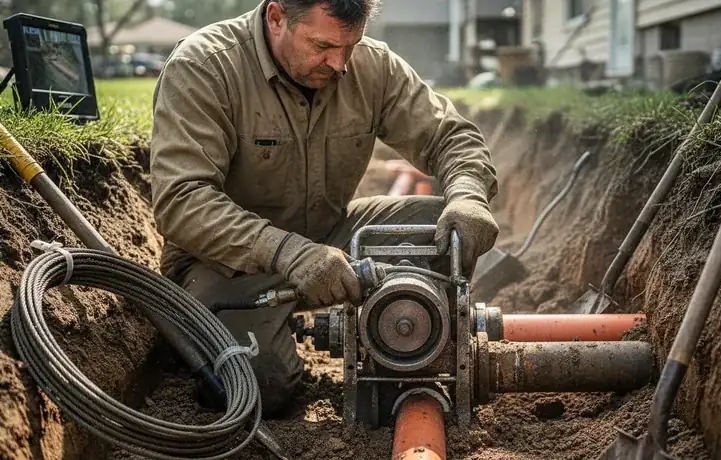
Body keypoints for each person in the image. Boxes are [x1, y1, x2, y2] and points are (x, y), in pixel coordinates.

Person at [149, 0, 499, 416]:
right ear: (277, 17)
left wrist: (468, 194)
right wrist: (290, 253)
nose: (340, 64)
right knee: (260, 387)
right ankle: (226, 335)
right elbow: (182, 199)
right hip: (224, 265)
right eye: (323, 46)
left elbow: (450, 135)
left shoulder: (371, 65)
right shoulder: (204, 67)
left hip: (331, 239)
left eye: (351, 45)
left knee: (439, 228)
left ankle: (410, 352)